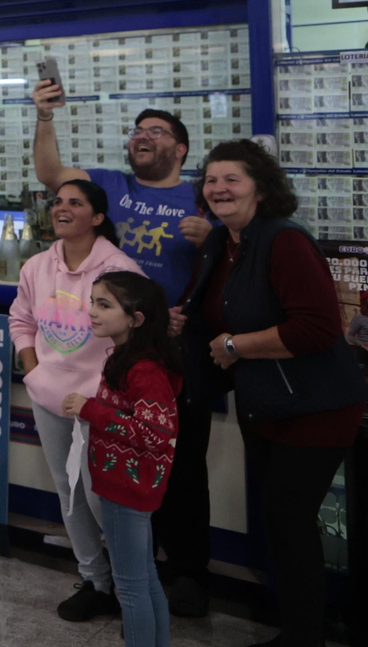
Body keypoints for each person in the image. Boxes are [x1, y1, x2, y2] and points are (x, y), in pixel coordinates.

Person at [32, 83, 214, 615]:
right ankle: (117, 578)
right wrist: (44, 117)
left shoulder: (201, 198)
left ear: (179, 149)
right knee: (105, 473)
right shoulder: (109, 185)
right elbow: (50, 175)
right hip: (102, 358)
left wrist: (212, 238)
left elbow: (233, 265)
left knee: (176, 467)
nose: (143, 137)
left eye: (156, 132)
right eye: (138, 130)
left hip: (174, 353)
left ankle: (186, 575)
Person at [181, 140, 367, 647]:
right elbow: (213, 310)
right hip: (266, 403)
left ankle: (304, 635)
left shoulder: (284, 240)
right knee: (283, 520)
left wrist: (236, 345)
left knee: (288, 519)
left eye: (232, 179)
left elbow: (317, 328)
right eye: (211, 180)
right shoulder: (225, 243)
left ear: (261, 189)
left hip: (315, 405)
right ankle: (300, 626)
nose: (219, 188)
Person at [9, 179, 141, 621]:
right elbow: (21, 320)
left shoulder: (120, 270)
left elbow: (136, 336)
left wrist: (111, 394)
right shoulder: (36, 267)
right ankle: (96, 582)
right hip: (51, 399)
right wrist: (35, 371)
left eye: (75, 203)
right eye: (58, 201)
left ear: (98, 217)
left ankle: (133, 591)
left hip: (102, 404)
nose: (61, 208)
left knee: (105, 498)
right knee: (69, 493)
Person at [62, 271, 181, 647]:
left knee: (129, 587)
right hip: (124, 486)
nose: (92, 312)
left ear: (136, 318)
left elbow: (154, 434)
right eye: (93, 302)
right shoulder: (127, 358)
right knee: (143, 578)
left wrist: (90, 410)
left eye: (104, 304)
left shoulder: (143, 370)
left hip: (127, 489)